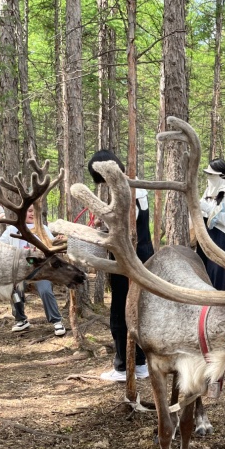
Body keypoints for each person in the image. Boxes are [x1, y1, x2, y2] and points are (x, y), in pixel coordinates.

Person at [86, 150, 154, 382]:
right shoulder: (134, 186)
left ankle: (125, 366)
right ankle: (140, 362)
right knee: (139, 309)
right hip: (143, 254)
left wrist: (103, 224)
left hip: (128, 257)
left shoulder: (125, 189)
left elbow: (126, 225)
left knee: (122, 310)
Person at [0, 208, 67, 337]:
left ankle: (56, 320)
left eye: (34, 212)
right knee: (14, 291)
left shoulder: (43, 229)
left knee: (46, 291)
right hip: (20, 271)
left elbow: (52, 245)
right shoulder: (12, 230)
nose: (32, 214)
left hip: (39, 269)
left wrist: (58, 240)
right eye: (29, 211)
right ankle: (21, 319)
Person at [197, 159, 225, 291]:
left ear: (221, 175)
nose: (208, 177)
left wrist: (208, 209)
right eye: (208, 174)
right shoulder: (208, 190)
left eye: (211, 174)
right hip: (205, 235)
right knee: (203, 273)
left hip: (220, 238)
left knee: (217, 276)